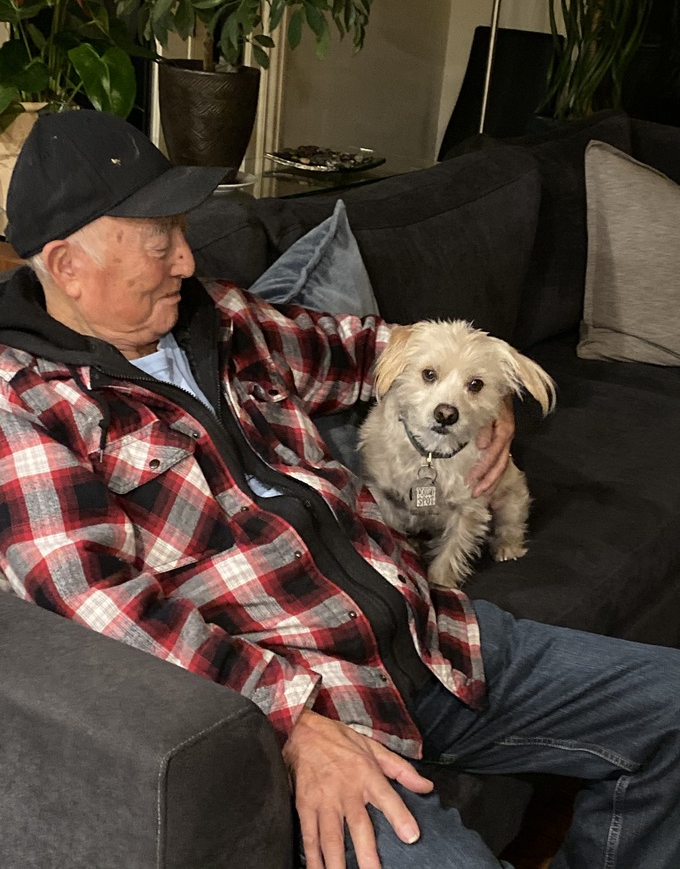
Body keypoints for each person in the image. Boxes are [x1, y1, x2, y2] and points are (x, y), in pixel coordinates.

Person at [0, 110, 678, 869]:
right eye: (160, 241)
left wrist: (492, 396)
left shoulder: (220, 318)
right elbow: (101, 609)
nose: (187, 259)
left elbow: (371, 347)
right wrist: (294, 718)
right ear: (65, 265)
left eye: (182, 231)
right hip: (325, 703)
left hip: (436, 636)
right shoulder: (25, 404)